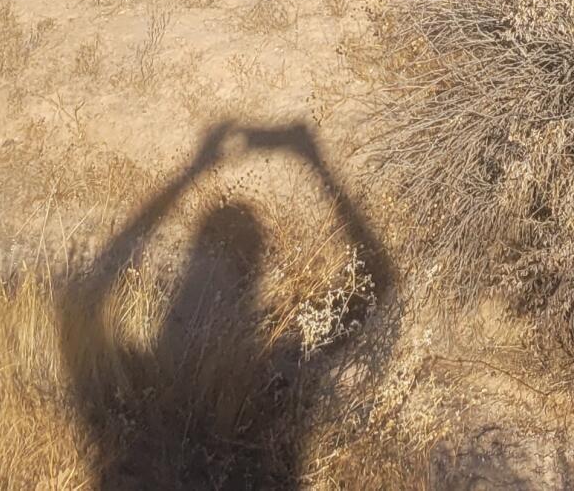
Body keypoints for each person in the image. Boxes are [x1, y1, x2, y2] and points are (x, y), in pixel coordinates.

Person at [58, 120, 392, 490]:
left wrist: (191, 171)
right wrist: (315, 161)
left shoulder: (136, 392)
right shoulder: (265, 375)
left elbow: (86, 298)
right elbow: (380, 282)